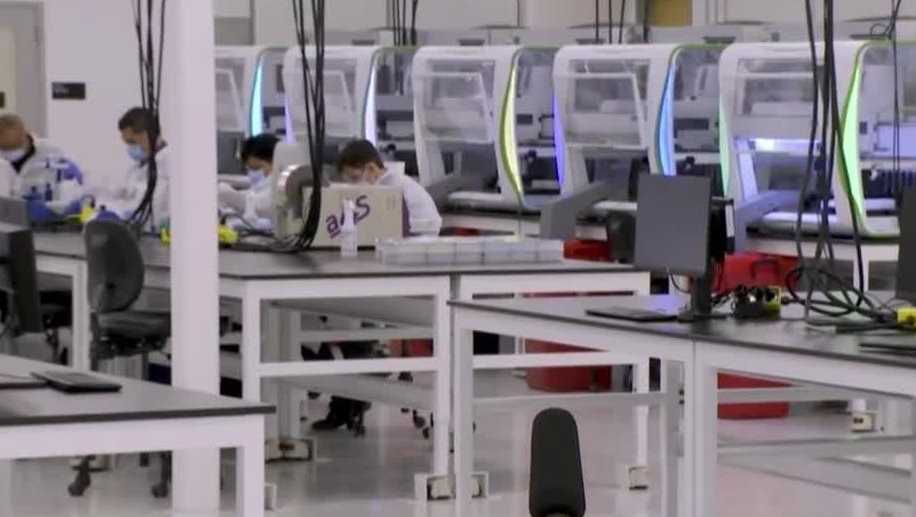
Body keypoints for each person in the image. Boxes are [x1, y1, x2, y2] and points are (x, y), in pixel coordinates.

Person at [337, 139, 442, 236]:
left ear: (371, 168)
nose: (353, 185)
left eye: (355, 178)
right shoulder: (392, 181)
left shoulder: (392, 187)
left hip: (417, 240)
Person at [98, 107, 171, 230]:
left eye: (132, 142)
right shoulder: (138, 168)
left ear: (147, 134)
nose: (130, 148)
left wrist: (122, 215)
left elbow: (153, 208)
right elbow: (123, 195)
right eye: (127, 143)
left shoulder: (169, 163)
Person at [0, 114, 84, 215]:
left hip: (51, 219)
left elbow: (86, 186)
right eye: (3, 148)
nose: (8, 154)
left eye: (12, 148)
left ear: (25, 136)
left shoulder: (53, 151)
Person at [218, 133, 279, 227]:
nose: (252, 173)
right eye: (250, 169)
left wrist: (232, 197)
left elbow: (263, 206)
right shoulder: (265, 184)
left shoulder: (281, 185)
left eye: (257, 168)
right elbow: (251, 196)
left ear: (273, 160)